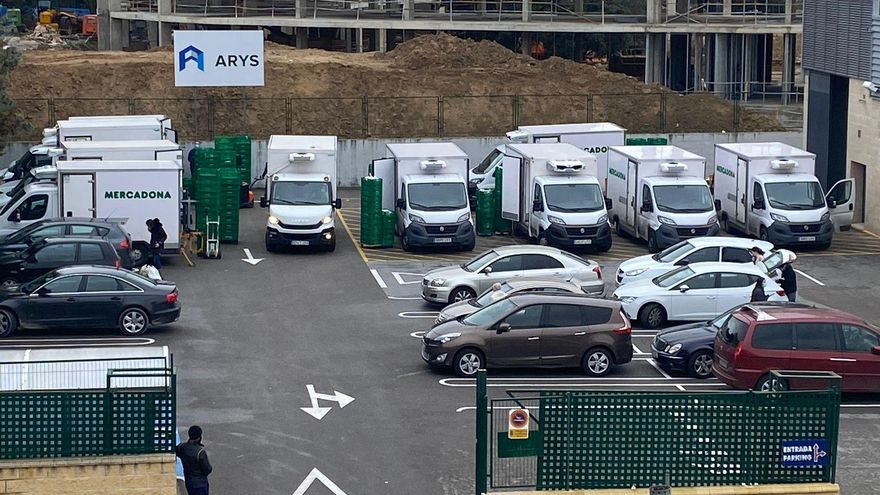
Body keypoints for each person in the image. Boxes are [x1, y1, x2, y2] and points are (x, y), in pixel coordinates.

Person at [176, 425, 213, 495]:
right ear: (199, 438)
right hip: (200, 483)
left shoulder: (182, 447)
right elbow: (207, 469)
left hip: (189, 481)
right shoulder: (200, 452)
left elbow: (176, 452)